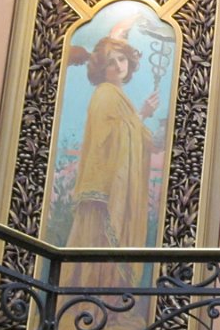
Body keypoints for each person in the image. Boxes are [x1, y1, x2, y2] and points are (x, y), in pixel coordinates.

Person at [65, 36, 160, 288]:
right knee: (100, 255)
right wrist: (143, 114)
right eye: (110, 62)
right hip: (104, 194)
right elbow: (109, 137)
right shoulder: (105, 94)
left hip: (109, 191)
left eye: (121, 59)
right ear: (101, 68)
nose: (118, 66)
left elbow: (134, 134)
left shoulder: (118, 95)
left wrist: (146, 124)